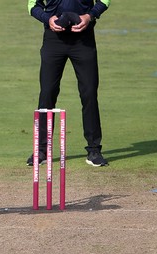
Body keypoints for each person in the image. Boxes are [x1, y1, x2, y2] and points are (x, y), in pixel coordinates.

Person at [26, 0, 110, 167]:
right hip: (53, 40)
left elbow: (105, 1)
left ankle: (94, 150)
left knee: (89, 93)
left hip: (83, 41)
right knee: (47, 93)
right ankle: (42, 150)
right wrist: (47, 18)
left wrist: (90, 16)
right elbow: (32, 6)